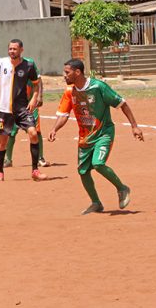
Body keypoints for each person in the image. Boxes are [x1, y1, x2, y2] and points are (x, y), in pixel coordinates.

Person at [48, 59, 142, 215]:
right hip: (85, 137)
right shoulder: (69, 91)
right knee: (83, 171)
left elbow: (122, 103)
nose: (64, 75)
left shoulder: (98, 87)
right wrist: (54, 129)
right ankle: (96, 203)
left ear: (77, 72)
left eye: (67, 72)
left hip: (104, 133)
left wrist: (134, 126)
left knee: (98, 163)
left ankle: (122, 188)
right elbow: (64, 115)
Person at [0, 39, 46, 182]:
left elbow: (37, 84)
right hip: (4, 109)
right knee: (3, 141)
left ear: (21, 50)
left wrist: (34, 98)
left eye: (15, 49)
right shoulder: (2, 64)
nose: (12, 51)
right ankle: (0, 172)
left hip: (22, 108)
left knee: (33, 133)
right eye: (10, 49)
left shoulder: (29, 65)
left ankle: (35, 170)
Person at [3, 56, 49, 169]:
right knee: (10, 132)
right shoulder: (7, 66)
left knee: (36, 131)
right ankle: (8, 159)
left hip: (30, 105)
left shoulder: (29, 64)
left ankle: (40, 158)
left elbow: (38, 81)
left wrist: (39, 97)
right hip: (14, 106)